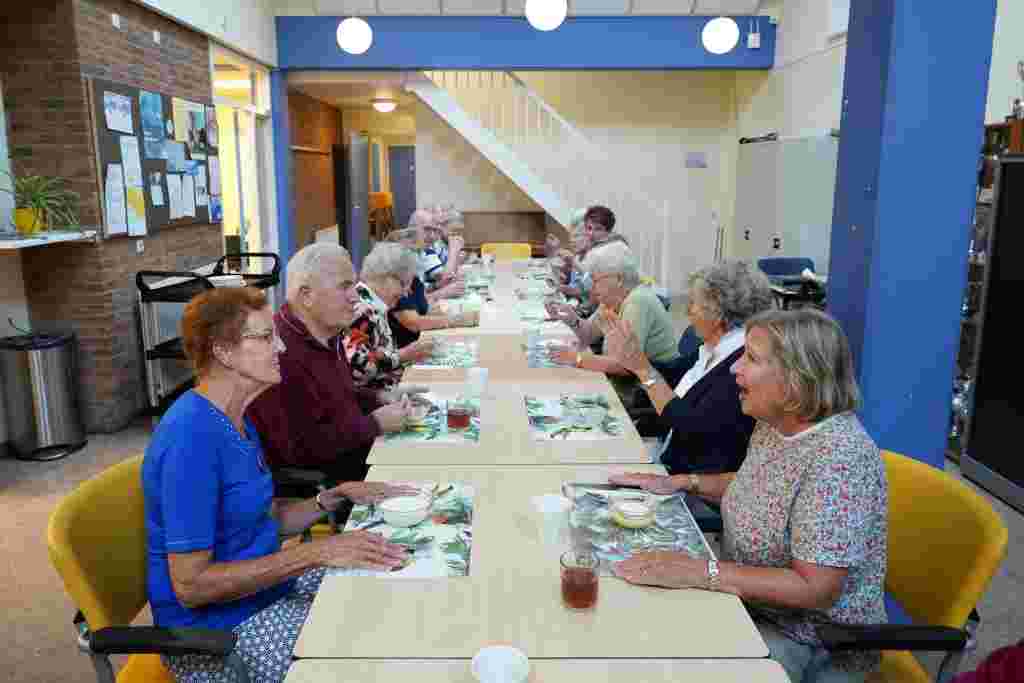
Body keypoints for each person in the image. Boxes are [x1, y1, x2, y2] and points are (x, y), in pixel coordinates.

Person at [143, 286, 416, 683]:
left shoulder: (237, 418)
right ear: (223, 351)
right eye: (266, 337)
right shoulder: (191, 438)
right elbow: (191, 586)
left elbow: (264, 518)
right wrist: (315, 554)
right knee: (372, 650)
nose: (282, 349)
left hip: (267, 595)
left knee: (392, 576)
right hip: (218, 636)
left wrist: (330, 498)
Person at [610, 309, 888, 683]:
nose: (734, 369)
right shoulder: (775, 424)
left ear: (797, 380)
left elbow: (816, 589)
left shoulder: (840, 459)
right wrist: (684, 482)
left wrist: (699, 571)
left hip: (808, 639)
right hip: (745, 601)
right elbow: (756, 483)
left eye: (752, 358)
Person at [246, 244, 417, 486]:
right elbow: (298, 450)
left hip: (360, 454)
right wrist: (374, 423)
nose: (356, 297)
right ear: (306, 296)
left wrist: (380, 397)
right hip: (338, 481)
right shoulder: (278, 353)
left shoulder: (329, 333)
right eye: (344, 286)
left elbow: (338, 397)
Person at [603, 260, 774, 475]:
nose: (687, 312)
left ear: (717, 312)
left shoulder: (739, 365)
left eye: (693, 303)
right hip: (666, 454)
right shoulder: (712, 348)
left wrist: (642, 368)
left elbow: (690, 426)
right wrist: (631, 357)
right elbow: (673, 372)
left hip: (689, 480)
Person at [547, 241, 680, 398]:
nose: (591, 287)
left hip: (646, 390)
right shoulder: (612, 298)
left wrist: (576, 358)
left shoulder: (638, 301)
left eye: (596, 280)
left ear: (618, 279)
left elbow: (624, 365)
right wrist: (572, 319)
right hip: (624, 382)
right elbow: (589, 334)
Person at [343, 242, 435, 391]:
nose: (406, 293)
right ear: (386, 277)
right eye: (404, 284)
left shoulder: (375, 305)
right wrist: (404, 355)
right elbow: (358, 368)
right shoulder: (361, 310)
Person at [386, 226, 478, 349]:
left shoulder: (413, 278)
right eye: (413, 252)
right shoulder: (393, 283)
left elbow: (426, 307)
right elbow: (414, 322)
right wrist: (456, 320)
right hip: (405, 351)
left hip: (422, 342)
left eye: (418, 252)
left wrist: (458, 313)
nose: (419, 257)